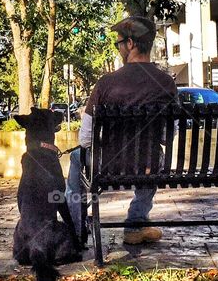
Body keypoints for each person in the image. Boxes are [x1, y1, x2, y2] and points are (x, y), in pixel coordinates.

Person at [65, 15, 177, 245]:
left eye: (119, 43)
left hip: (108, 165)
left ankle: (75, 229)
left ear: (130, 44)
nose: (118, 49)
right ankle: (136, 222)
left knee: (77, 156)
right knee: (156, 155)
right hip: (148, 164)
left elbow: (86, 138)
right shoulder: (166, 83)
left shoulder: (107, 83)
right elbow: (168, 135)